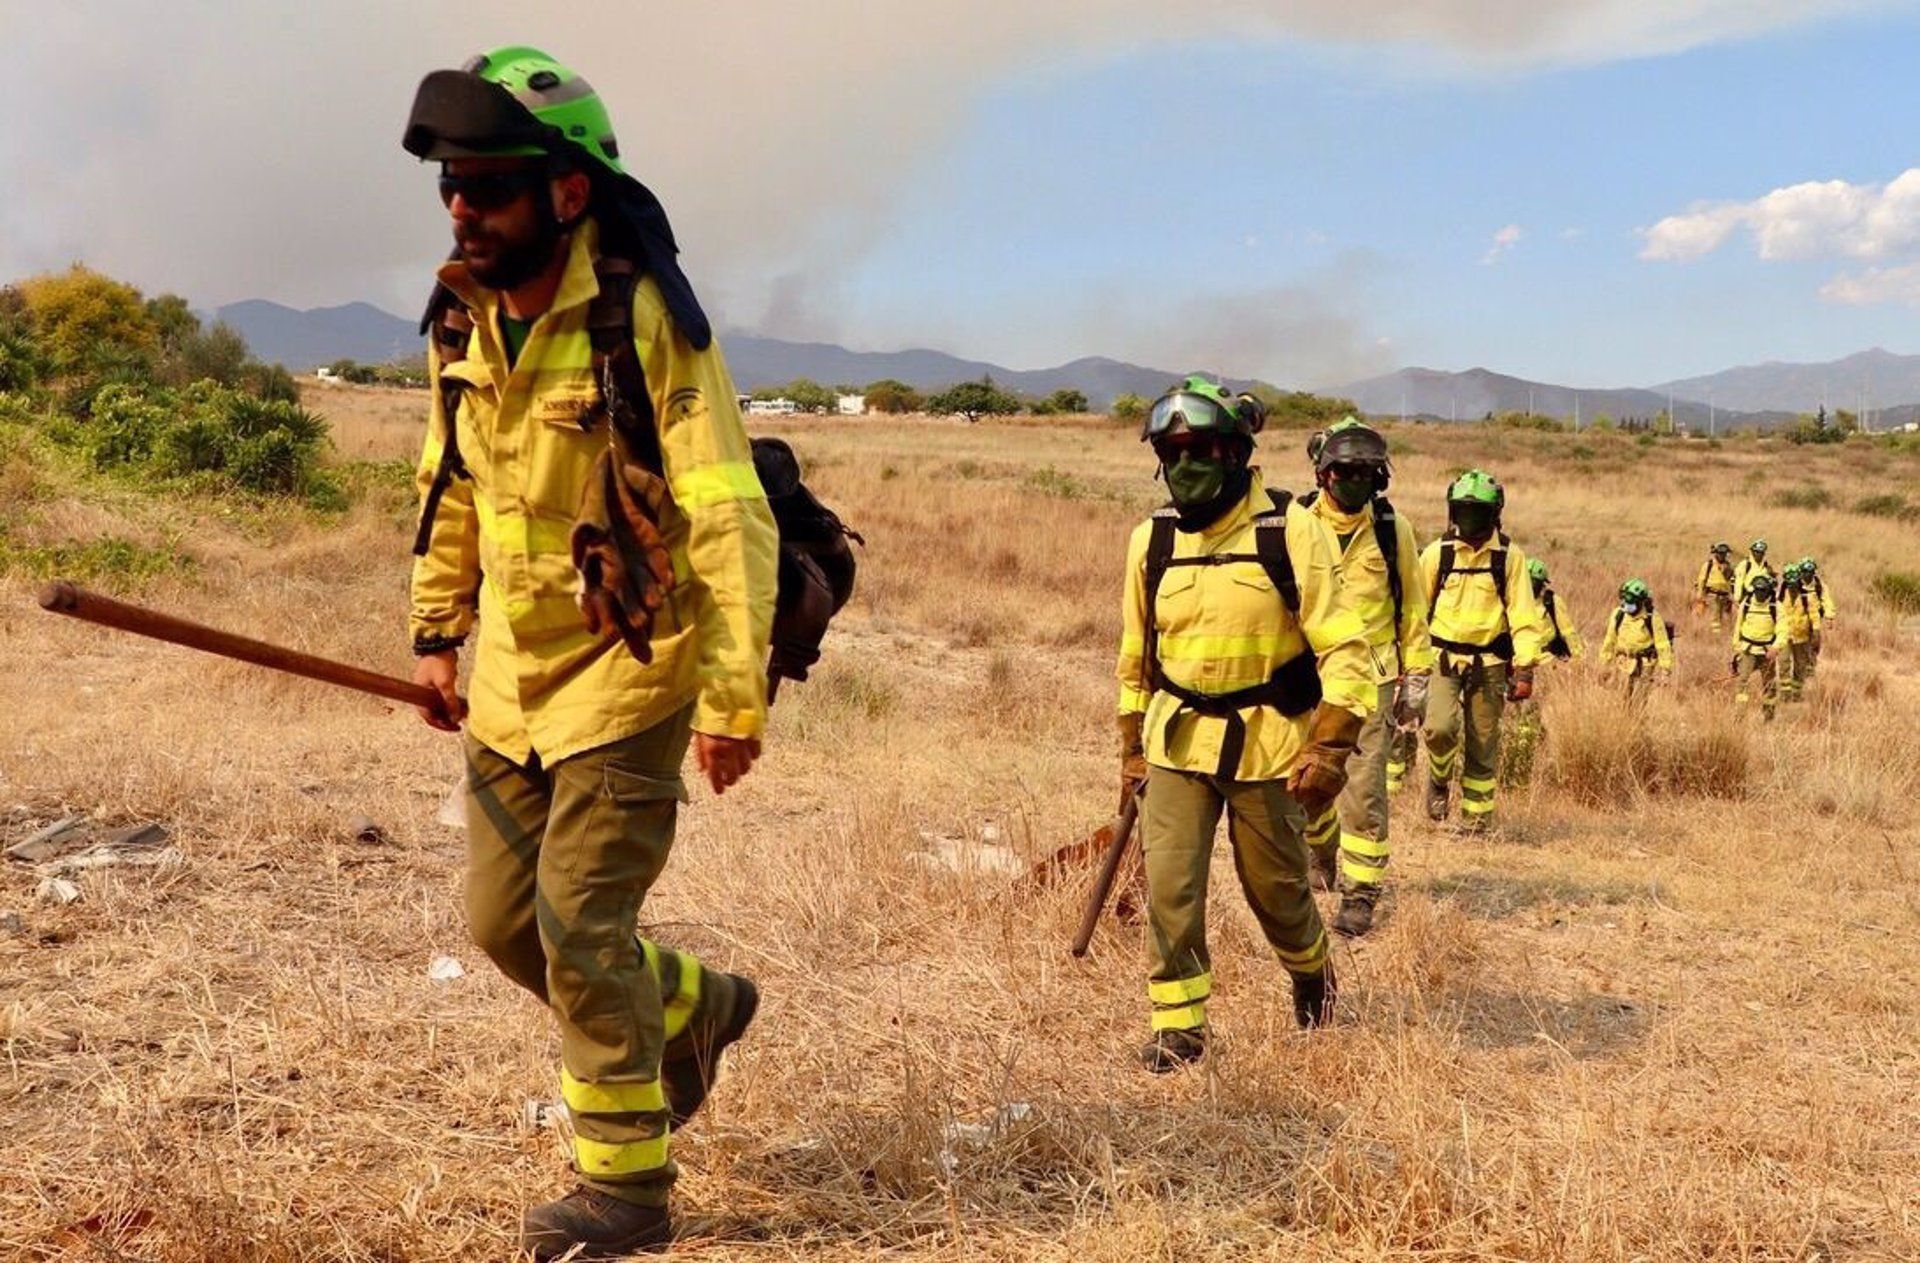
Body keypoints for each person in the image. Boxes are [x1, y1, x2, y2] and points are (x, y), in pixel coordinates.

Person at [402, 47, 779, 1259]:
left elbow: (723, 504)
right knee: (506, 926)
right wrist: (435, 633)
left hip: (630, 674)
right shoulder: (458, 314)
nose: (464, 205)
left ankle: (625, 1191)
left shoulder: (642, 316)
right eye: (452, 183)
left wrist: (732, 694)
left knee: (577, 927)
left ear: (567, 191)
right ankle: (699, 1005)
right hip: (513, 679)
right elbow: (448, 486)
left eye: (490, 183)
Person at [1116, 376, 1372, 1071]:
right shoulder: (1153, 539)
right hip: (1176, 741)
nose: (1185, 467)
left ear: (1235, 453)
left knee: (1278, 894)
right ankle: (1181, 1028)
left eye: (1200, 450)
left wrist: (1331, 744)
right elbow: (1136, 657)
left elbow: (1347, 647)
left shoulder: (1291, 529)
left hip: (1270, 748)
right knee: (1170, 887)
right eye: (1171, 454)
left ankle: (1312, 974)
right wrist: (1129, 750)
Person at [1296, 418, 1433, 937]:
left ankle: (1361, 892)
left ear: (1379, 479)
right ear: (1323, 473)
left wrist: (1416, 676)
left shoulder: (1391, 530)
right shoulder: (1295, 525)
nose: (1353, 483)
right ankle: (1320, 852)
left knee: (1365, 790)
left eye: (1366, 475)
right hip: (1308, 676)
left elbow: (1412, 610)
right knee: (1306, 782)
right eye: (1344, 472)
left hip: (1370, 679)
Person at [1419, 470, 1546, 832]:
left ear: (1495, 513)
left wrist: (1524, 669)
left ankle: (1476, 822)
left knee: (1483, 741)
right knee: (1439, 729)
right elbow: (1415, 613)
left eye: (1477, 512)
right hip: (1443, 659)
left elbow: (1523, 616)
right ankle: (1439, 779)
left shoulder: (1509, 557)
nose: (1470, 520)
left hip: (1490, 662)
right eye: (1463, 511)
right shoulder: (1437, 553)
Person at [1599, 579, 1674, 698]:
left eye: (1632, 603)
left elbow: (1663, 644)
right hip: (1623, 662)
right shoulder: (1618, 614)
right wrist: (1604, 664)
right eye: (1626, 601)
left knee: (1639, 700)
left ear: (1641, 602)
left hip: (1645, 665)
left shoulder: (1652, 617)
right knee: (1622, 698)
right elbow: (1610, 640)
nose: (1628, 606)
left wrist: (1665, 671)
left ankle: (1637, 716)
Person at [1730, 573, 1783, 720]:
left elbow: (1783, 629)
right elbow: (1738, 627)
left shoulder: (1776, 606)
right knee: (1742, 681)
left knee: (1770, 685)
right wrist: (1737, 650)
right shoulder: (1746, 604)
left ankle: (1769, 716)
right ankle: (1739, 716)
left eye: (1763, 591)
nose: (1759, 594)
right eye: (1757, 590)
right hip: (1748, 650)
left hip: (1767, 652)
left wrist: (1776, 647)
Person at [1777, 564, 1822, 702]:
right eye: (1788, 582)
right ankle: (1785, 694)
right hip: (1784, 636)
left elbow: (1815, 616)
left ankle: (1796, 694)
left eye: (1794, 581)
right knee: (1784, 663)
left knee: (1799, 666)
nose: (1791, 585)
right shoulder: (1779, 597)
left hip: (1801, 637)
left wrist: (1816, 632)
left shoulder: (1806, 598)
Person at [1798, 555, 1836, 668]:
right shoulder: (1795, 586)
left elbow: (1827, 601)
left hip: (1814, 624)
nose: (1807, 574)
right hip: (1797, 622)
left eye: (1810, 571)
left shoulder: (1820, 586)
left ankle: (1810, 672)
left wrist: (1829, 616)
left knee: (1813, 649)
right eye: (1805, 571)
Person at [1694, 542, 1738, 631]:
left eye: (1724, 554)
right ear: (1716, 553)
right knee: (1714, 616)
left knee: (1725, 616)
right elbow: (1701, 580)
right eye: (1721, 553)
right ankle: (1715, 636)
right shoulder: (1709, 565)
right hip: (1712, 595)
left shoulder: (1728, 566)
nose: (1723, 555)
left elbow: (1732, 581)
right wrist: (1699, 595)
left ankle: (1723, 633)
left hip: (1725, 596)